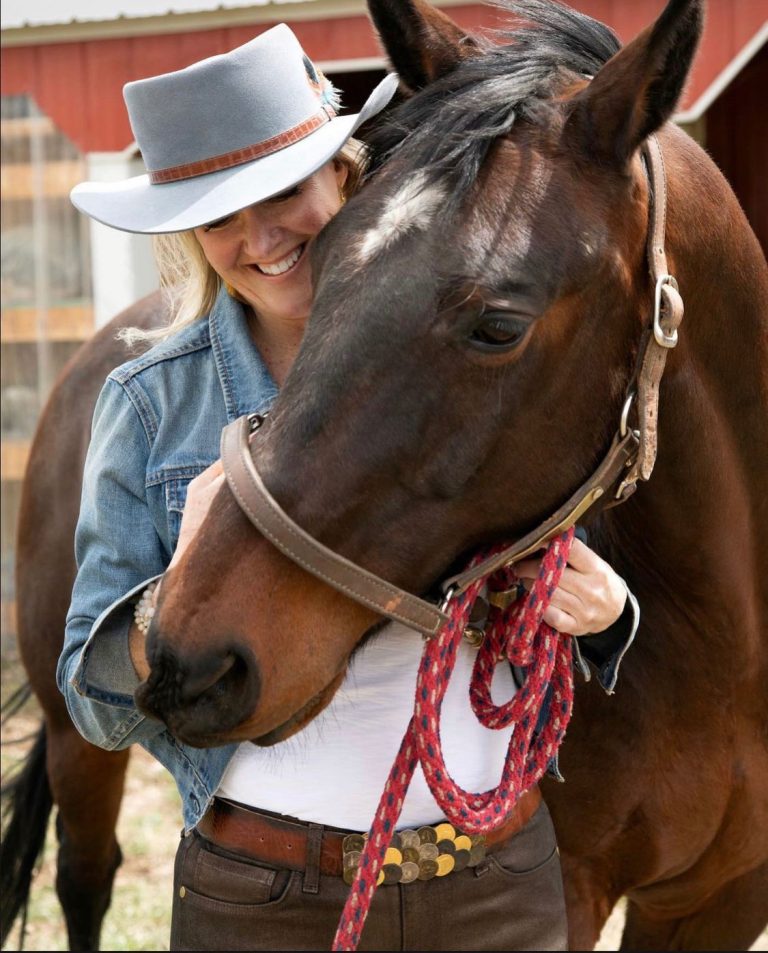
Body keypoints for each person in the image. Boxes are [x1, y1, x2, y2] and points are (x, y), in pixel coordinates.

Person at [59, 24, 639, 952]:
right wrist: (177, 594)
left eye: (284, 191)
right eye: (219, 217)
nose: (261, 238)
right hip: (264, 894)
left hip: (494, 881)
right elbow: (89, 700)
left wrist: (606, 615)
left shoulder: (462, 357)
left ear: (342, 172)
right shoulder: (149, 404)